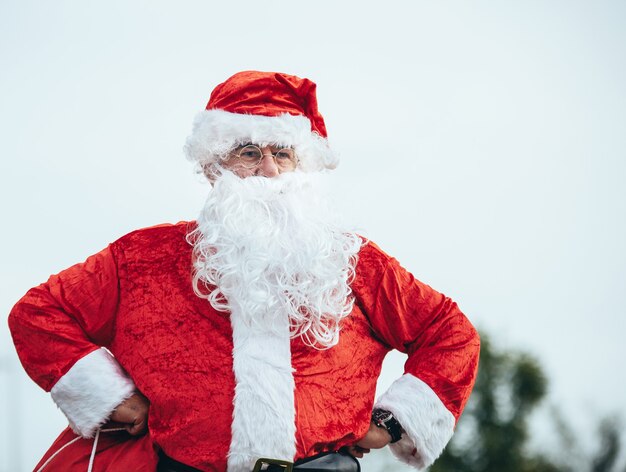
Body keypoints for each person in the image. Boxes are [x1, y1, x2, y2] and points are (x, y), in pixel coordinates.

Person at [8, 71, 480, 472]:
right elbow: (38, 314)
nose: (269, 171)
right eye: (250, 153)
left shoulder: (353, 260)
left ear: (302, 165)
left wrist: (393, 422)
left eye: (283, 153)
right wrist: (110, 396)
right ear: (216, 168)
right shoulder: (143, 258)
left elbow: (449, 332)